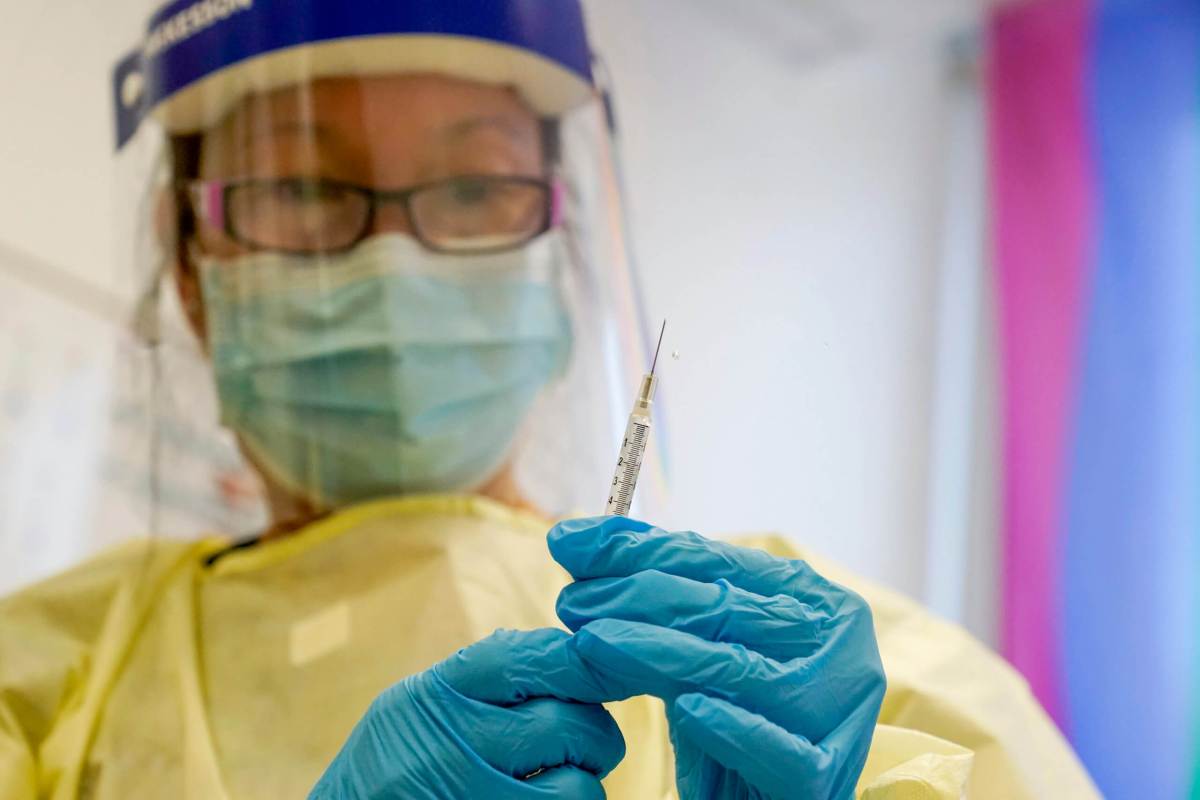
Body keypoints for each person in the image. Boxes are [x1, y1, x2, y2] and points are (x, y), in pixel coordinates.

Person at [0, 1, 1098, 798]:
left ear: (560, 244)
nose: (392, 261)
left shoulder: (825, 673)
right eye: (300, 188)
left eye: (476, 186)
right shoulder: (42, 679)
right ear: (189, 267)